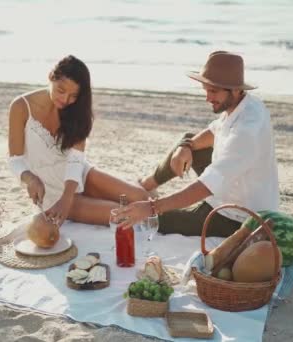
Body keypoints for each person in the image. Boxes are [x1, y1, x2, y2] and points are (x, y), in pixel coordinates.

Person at [117, 51, 279, 237]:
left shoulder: (246, 131)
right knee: (188, 139)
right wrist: (186, 145)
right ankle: (146, 186)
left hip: (237, 217)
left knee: (154, 220)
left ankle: (140, 201)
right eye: (206, 90)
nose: (207, 98)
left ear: (235, 89)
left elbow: (207, 185)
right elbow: (214, 130)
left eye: (213, 91)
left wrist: (153, 207)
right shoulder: (245, 104)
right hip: (227, 191)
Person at [7, 55, 148, 227]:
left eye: (73, 95)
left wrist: (67, 199)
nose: (66, 100)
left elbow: (75, 159)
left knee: (141, 198)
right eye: (61, 90)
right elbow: (15, 159)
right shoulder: (21, 106)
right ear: (51, 77)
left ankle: (137, 185)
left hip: (77, 175)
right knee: (122, 215)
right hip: (50, 190)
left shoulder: (76, 110)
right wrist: (30, 179)